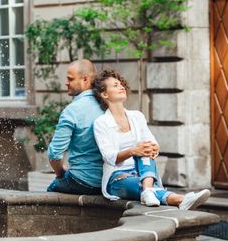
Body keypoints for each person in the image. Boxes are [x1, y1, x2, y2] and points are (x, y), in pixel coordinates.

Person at [92, 69, 210, 209]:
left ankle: (148, 191)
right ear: (104, 94)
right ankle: (180, 199)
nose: (121, 87)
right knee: (139, 181)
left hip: (143, 172)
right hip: (117, 177)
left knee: (145, 150)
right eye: (115, 85)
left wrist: (152, 148)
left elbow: (152, 142)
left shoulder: (137, 116)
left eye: (121, 84)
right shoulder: (101, 123)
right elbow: (109, 157)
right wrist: (133, 151)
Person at [46, 59, 104, 195]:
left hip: (82, 181)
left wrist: (60, 174)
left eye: (70, 79)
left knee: (50, 192)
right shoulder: (106, 104)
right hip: (108, 181)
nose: (66, 83)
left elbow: (54, 155)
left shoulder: (72, 111)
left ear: (85, 80)